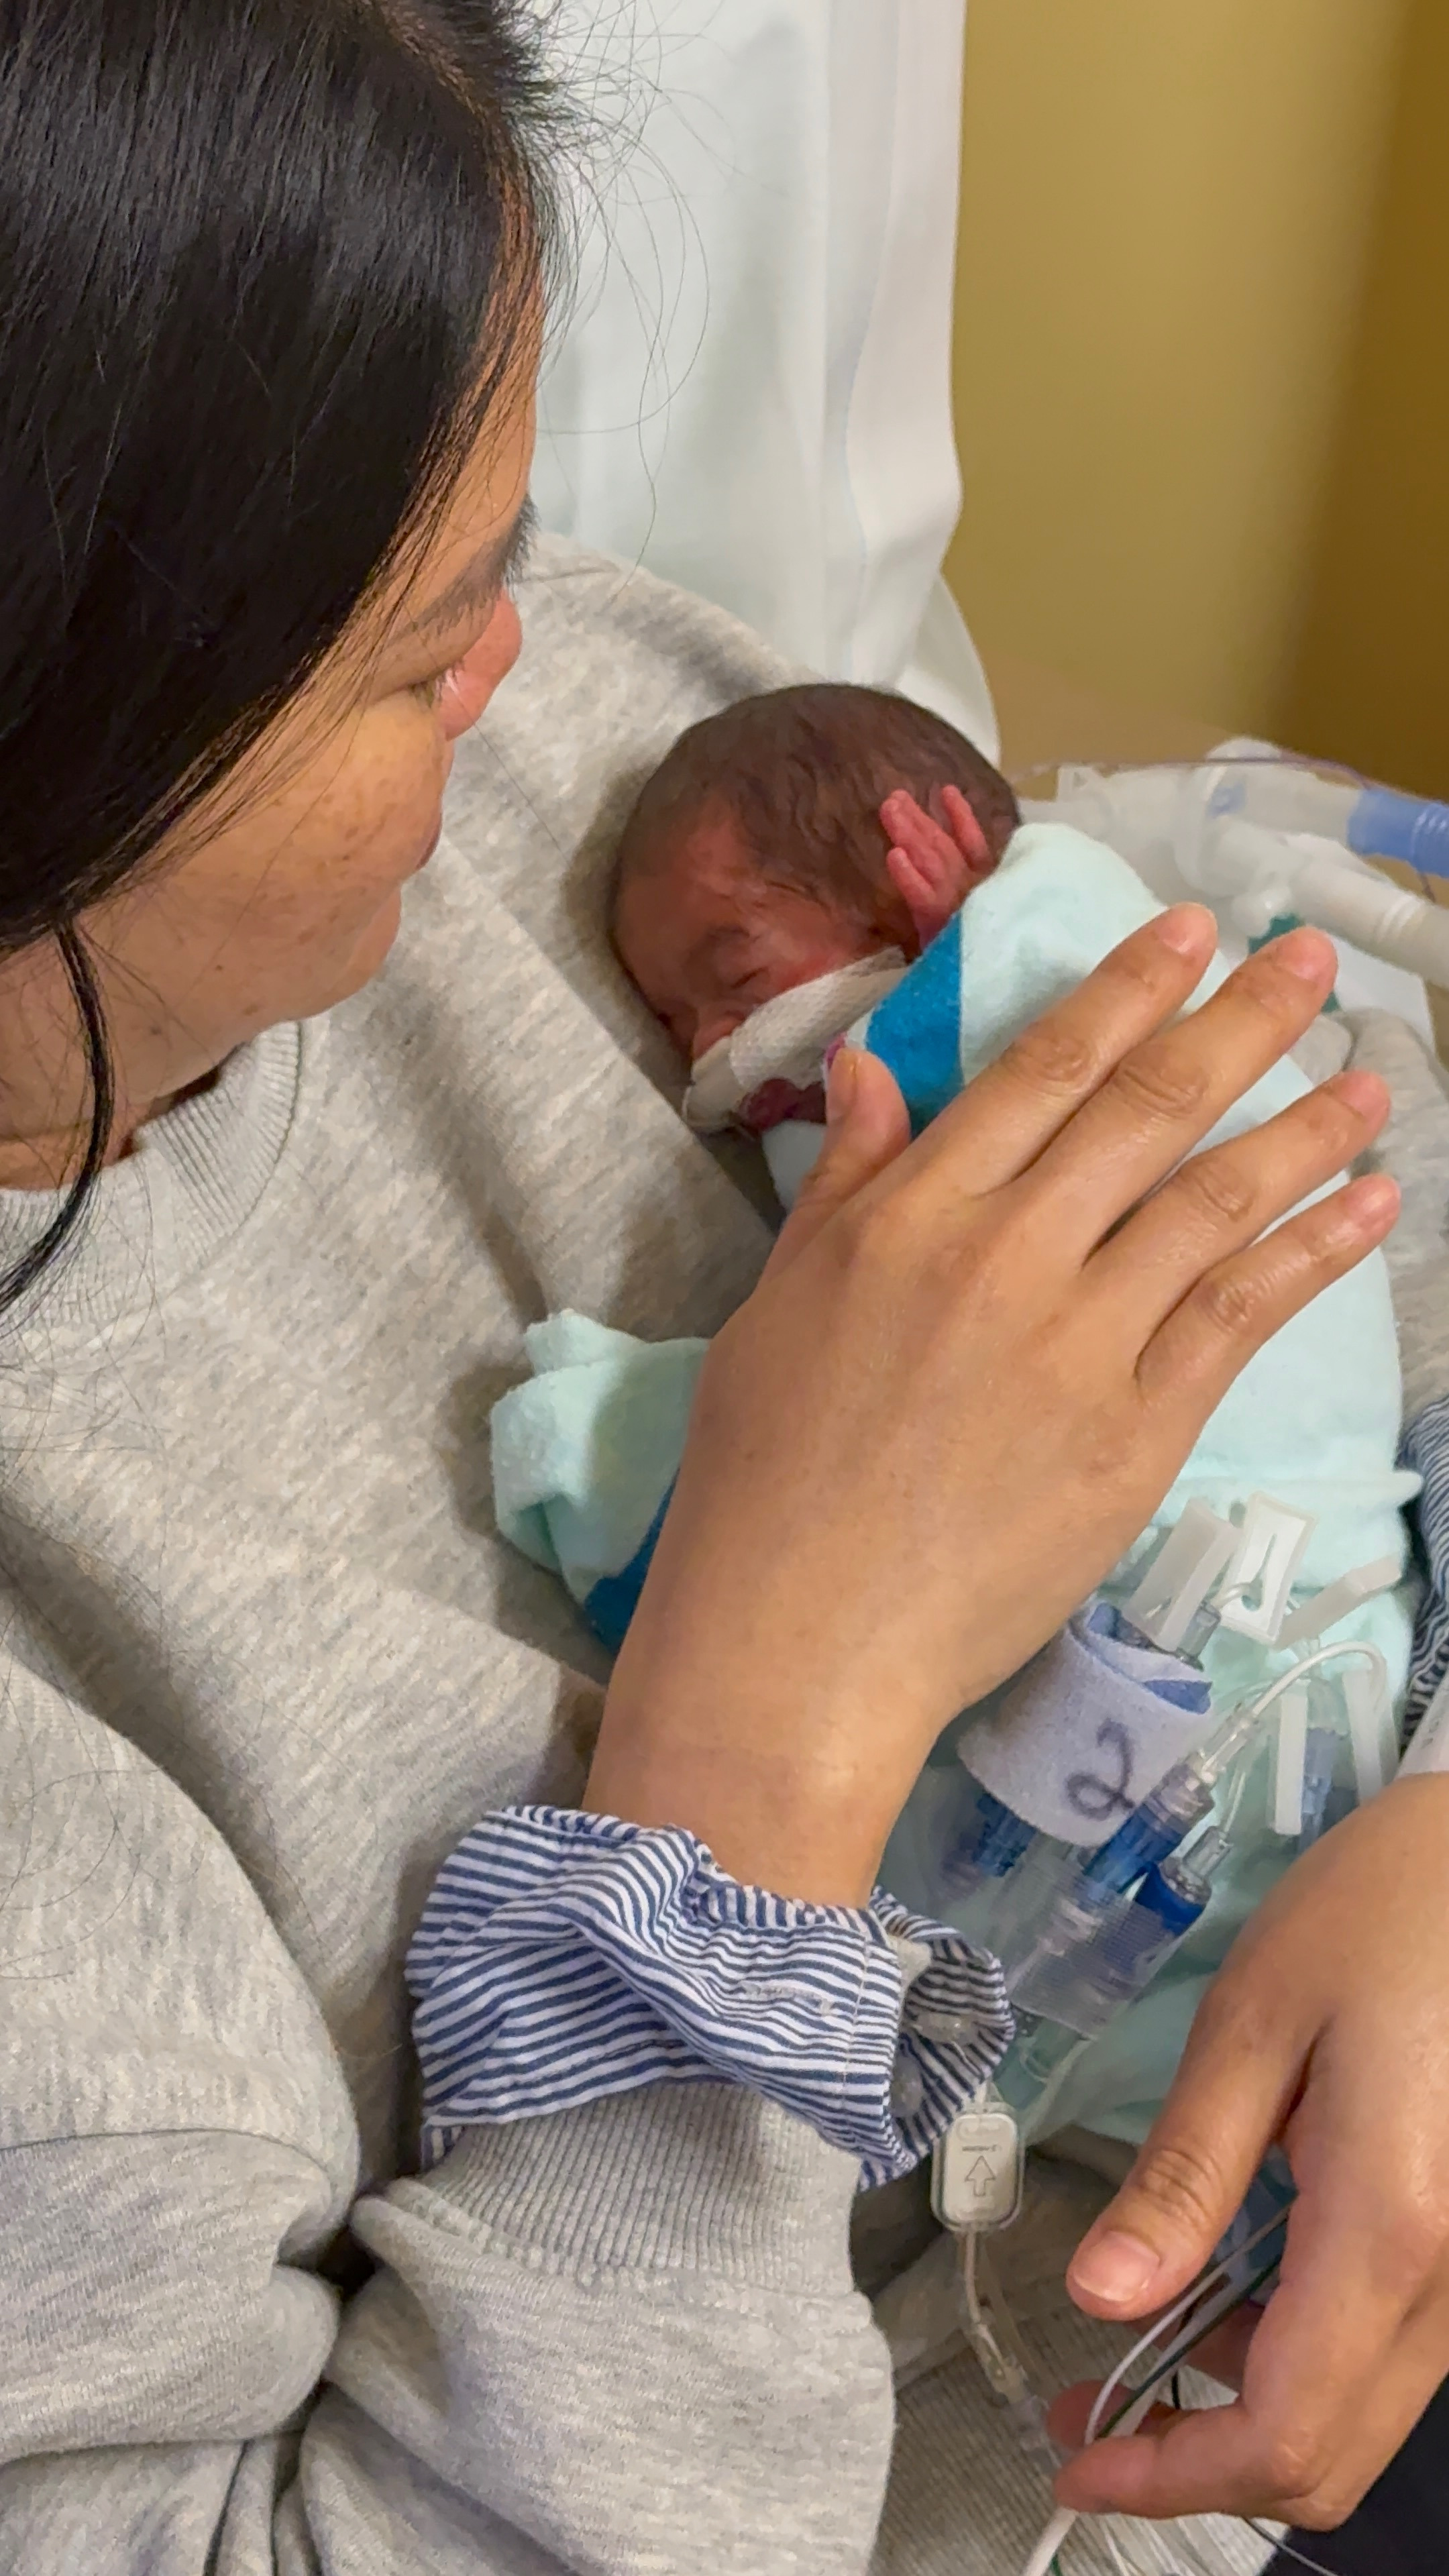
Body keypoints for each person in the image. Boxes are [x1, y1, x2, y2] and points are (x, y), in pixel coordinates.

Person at [3, 10, 1449, 2576]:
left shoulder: (598, 740)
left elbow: (1375, 1227)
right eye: (412, 650)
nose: (519, 665)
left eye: (503, 550)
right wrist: (753, 1764)